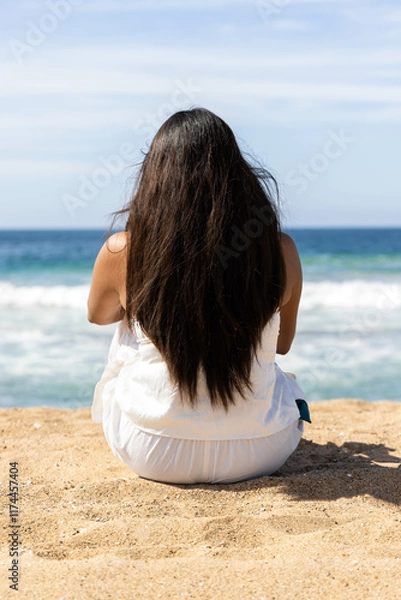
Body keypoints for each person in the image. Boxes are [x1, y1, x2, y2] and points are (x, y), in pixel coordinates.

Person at [88, 107, 310, 484]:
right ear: (238, 175)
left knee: (131, 322)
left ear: (155, 177)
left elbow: (99, 314)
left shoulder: (124, 251)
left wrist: (157, 297)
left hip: (153, 450)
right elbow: (282, 345)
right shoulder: (279, 250)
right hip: (261, 450)